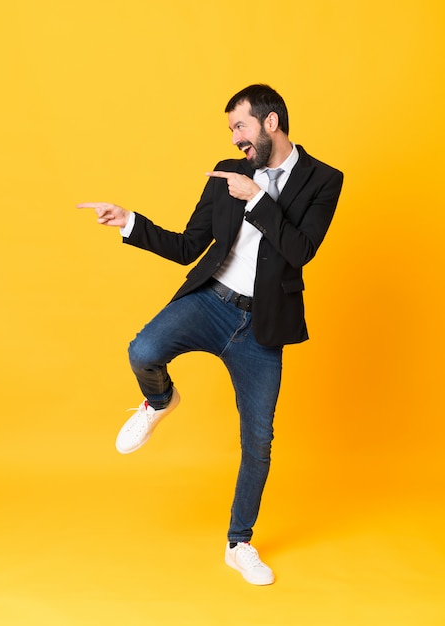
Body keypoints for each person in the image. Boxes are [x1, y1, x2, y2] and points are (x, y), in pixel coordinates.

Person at [78, 84, 343, 586]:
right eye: (231, 131)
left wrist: (259, 199)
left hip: (262, 327)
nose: (236, 139)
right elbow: (187, 247)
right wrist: (129, 221)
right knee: (144, 350)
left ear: (270, 123)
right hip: (210, 302)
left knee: (258, 441)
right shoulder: (228, 174)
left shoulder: (323, 179)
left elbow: (301, 250)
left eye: (240, 126)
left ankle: (239, 544)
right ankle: (159, 402)